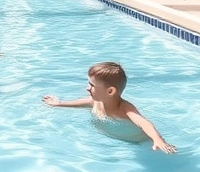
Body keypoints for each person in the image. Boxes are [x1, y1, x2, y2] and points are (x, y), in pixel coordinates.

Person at [42, 61, 177, 154]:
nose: (87, 88)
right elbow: (82, 102)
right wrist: (59, 103)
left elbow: (143, 122)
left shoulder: (124, 108)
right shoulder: (96, 102)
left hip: (140, 142)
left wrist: (158, 139)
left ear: (110, 91)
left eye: (92, 85)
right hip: (119, 140)